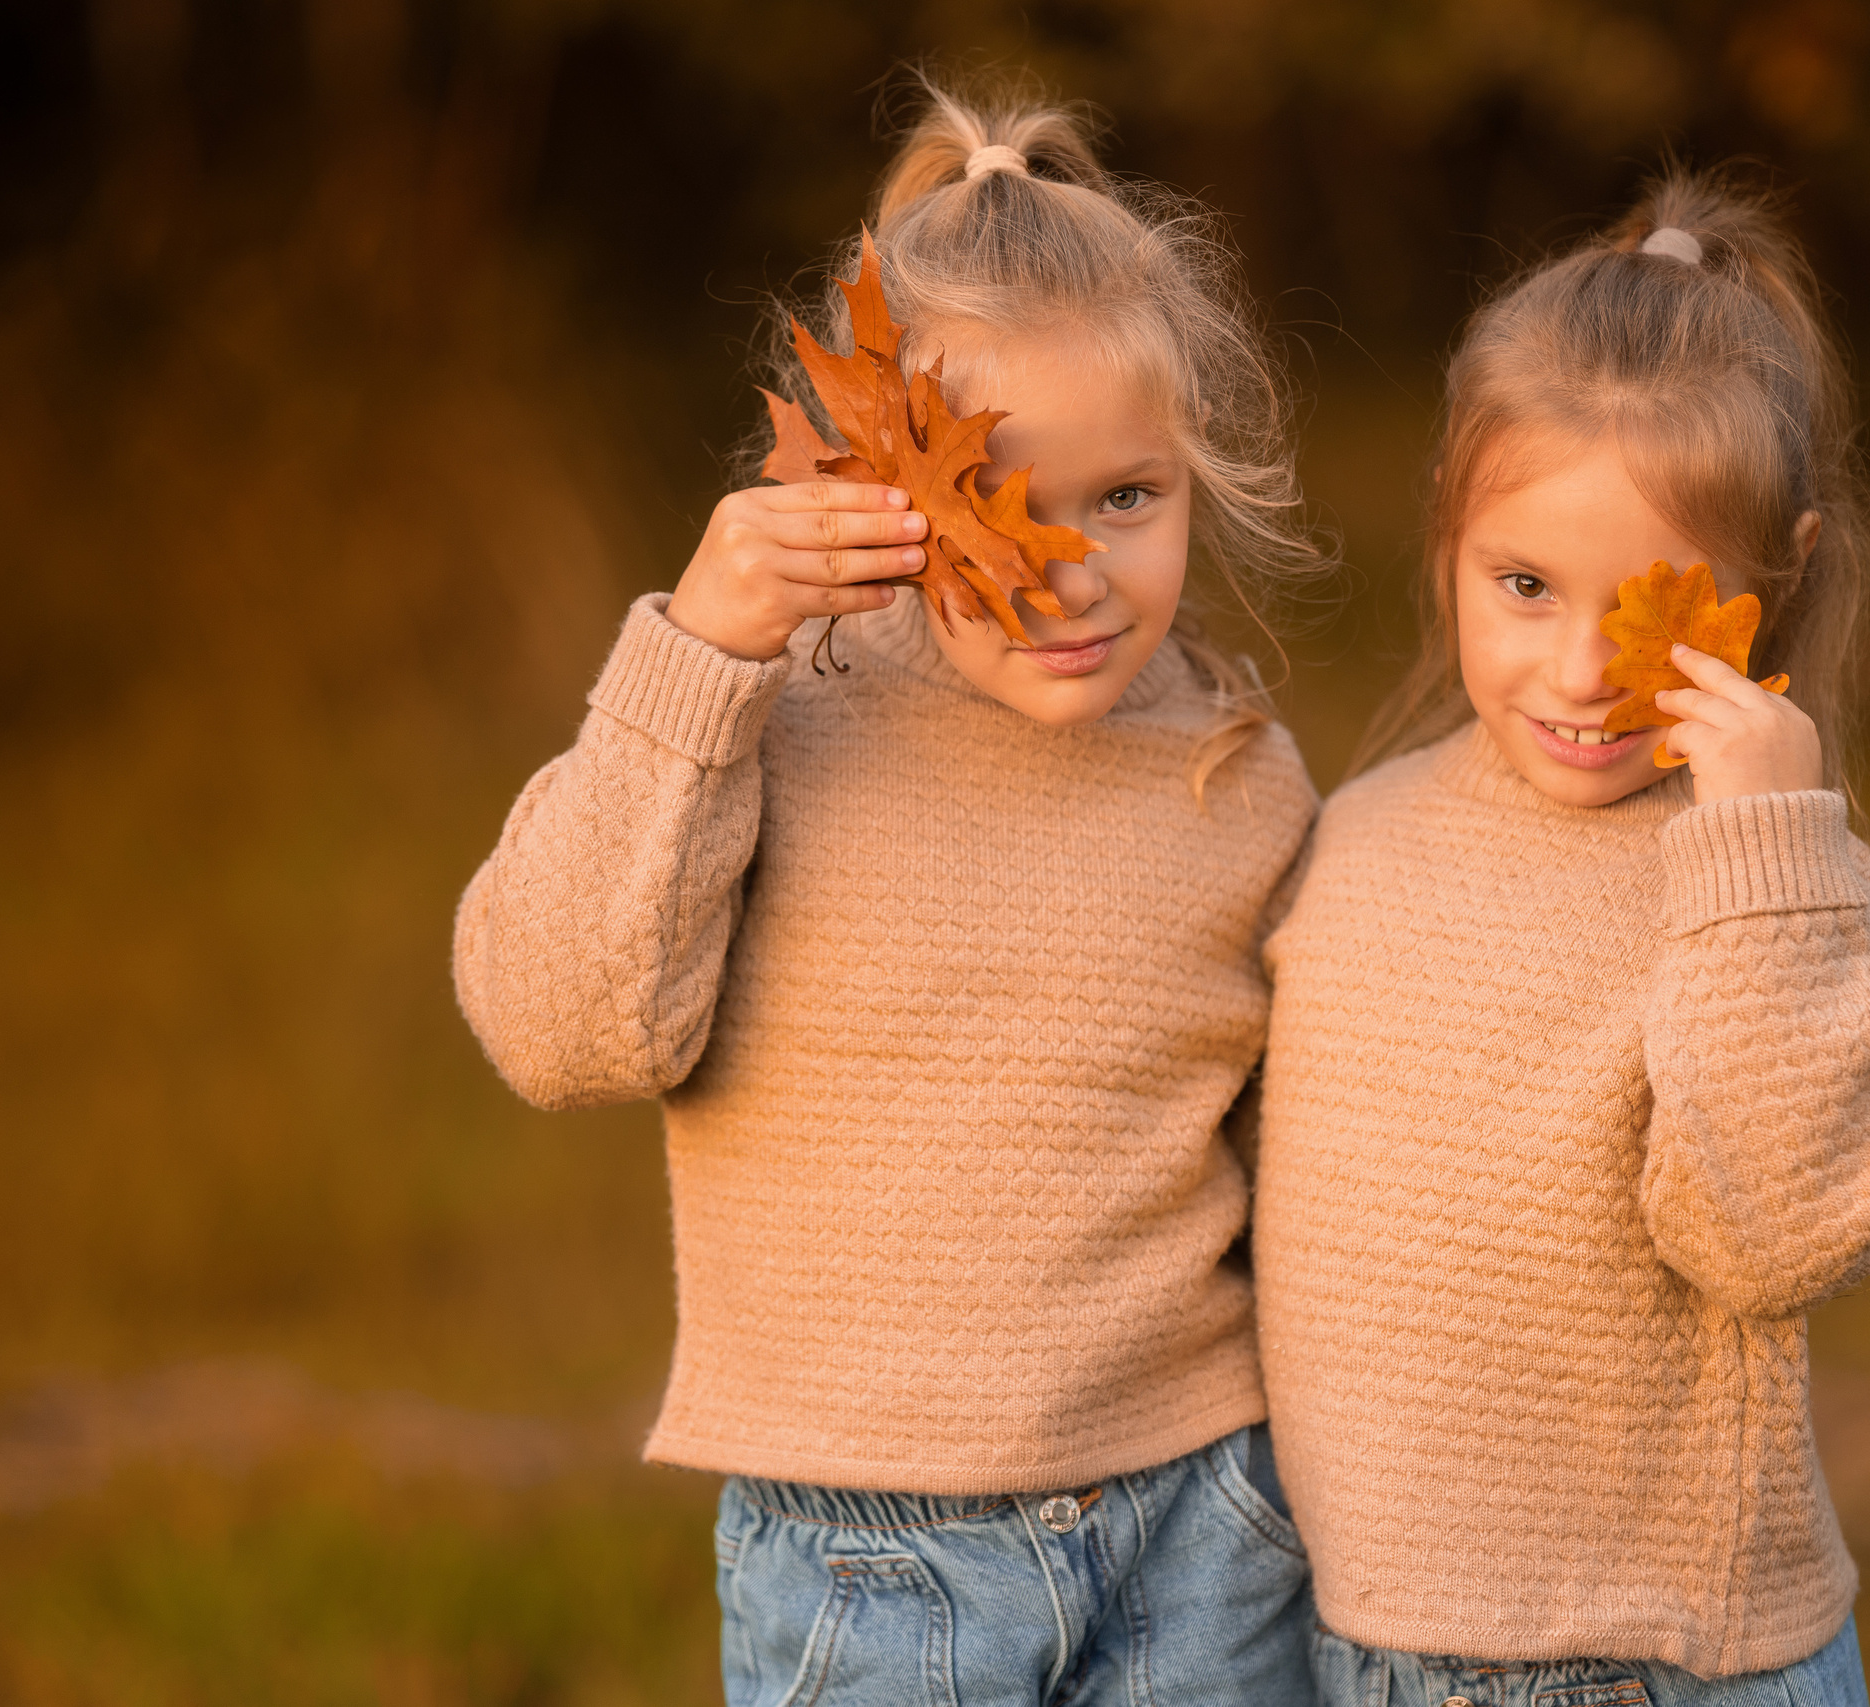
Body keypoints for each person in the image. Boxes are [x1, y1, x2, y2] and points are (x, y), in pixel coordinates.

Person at [452, 79, 1321, 1707]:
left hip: (1203, 1535)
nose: (1073, 572)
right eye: (1004, 502)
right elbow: (560, 1030)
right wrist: (698, 658)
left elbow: (1311, 1183)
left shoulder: (1237, 776)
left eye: (1129, 497)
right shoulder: (769, 721)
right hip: (872, 1569)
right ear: (875, 478)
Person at [1255, 168, 1870, 1706]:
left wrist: (1763, 847)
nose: (1580, 672)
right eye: (1523, 586)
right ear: (1448, 533)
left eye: (1652, 611)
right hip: (1361, 1648)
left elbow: (1780, 1238)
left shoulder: (1784, 883)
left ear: (1779, 578)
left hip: (1663, 1661)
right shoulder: (1351, 842)